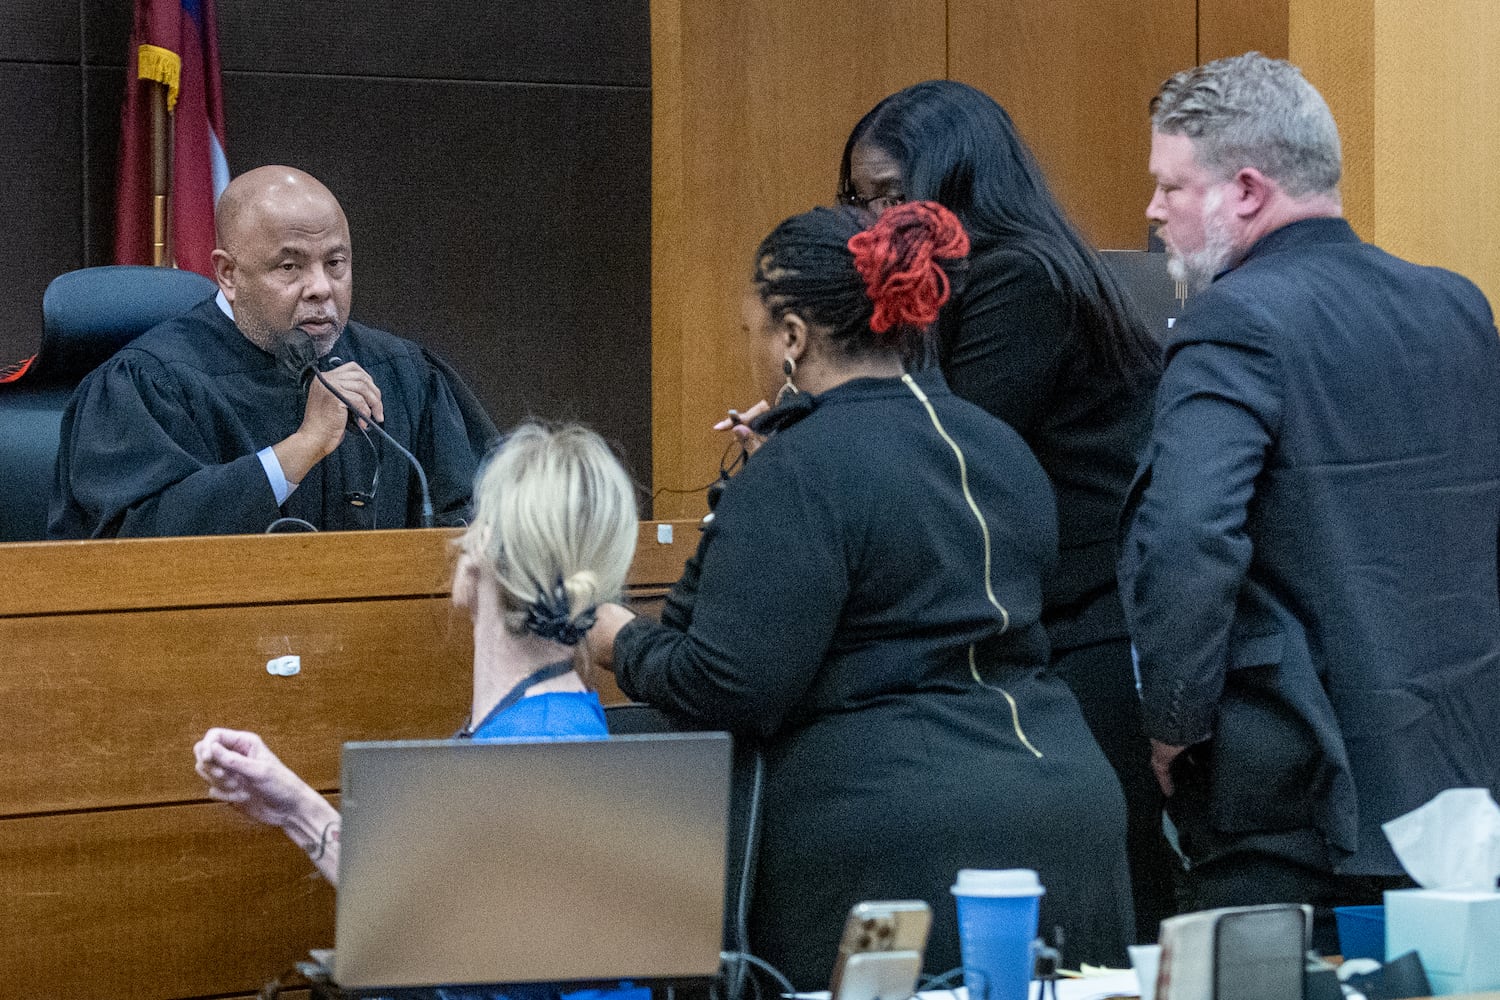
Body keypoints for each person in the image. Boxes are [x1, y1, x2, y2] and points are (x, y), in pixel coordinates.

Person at [586, 202, 1133, 988]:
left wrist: (618, 641)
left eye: (753, 334)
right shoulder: (1000, 447)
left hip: (894, 847)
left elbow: (728, 683)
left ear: (793, 338)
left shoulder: (798, 470)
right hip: (1071, 822)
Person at [1121, 51, 1500, 947]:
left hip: (1292, 793)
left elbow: (1186, 537)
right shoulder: (1457, 306)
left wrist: (1173, 722)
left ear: (1245, 191)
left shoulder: (1232, 321)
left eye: (1172, 186)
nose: (1153, 212)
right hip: (1458, 790)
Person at [836, 80, 1172, 938]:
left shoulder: (1020, 277)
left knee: (1115, 891)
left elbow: (954, 448)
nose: (873, 225)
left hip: (1096, 621)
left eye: (891, 196)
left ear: (957, 184)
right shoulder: (981, 282)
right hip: (1055, 613)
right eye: (858, 201)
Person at [193, 422, 637, 883]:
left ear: (484, 549)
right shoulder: (546, 725)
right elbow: (432, 898)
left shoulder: (530, 754)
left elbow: (442, 935)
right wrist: (295, 808)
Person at [49, 166, 495, 538]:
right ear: (228, 273)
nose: (321, 288)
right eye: (290, 266)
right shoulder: (149, 384)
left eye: (335, 263)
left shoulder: (405, 374)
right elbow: (130, 548)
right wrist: (300, 449)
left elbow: (480, 514)